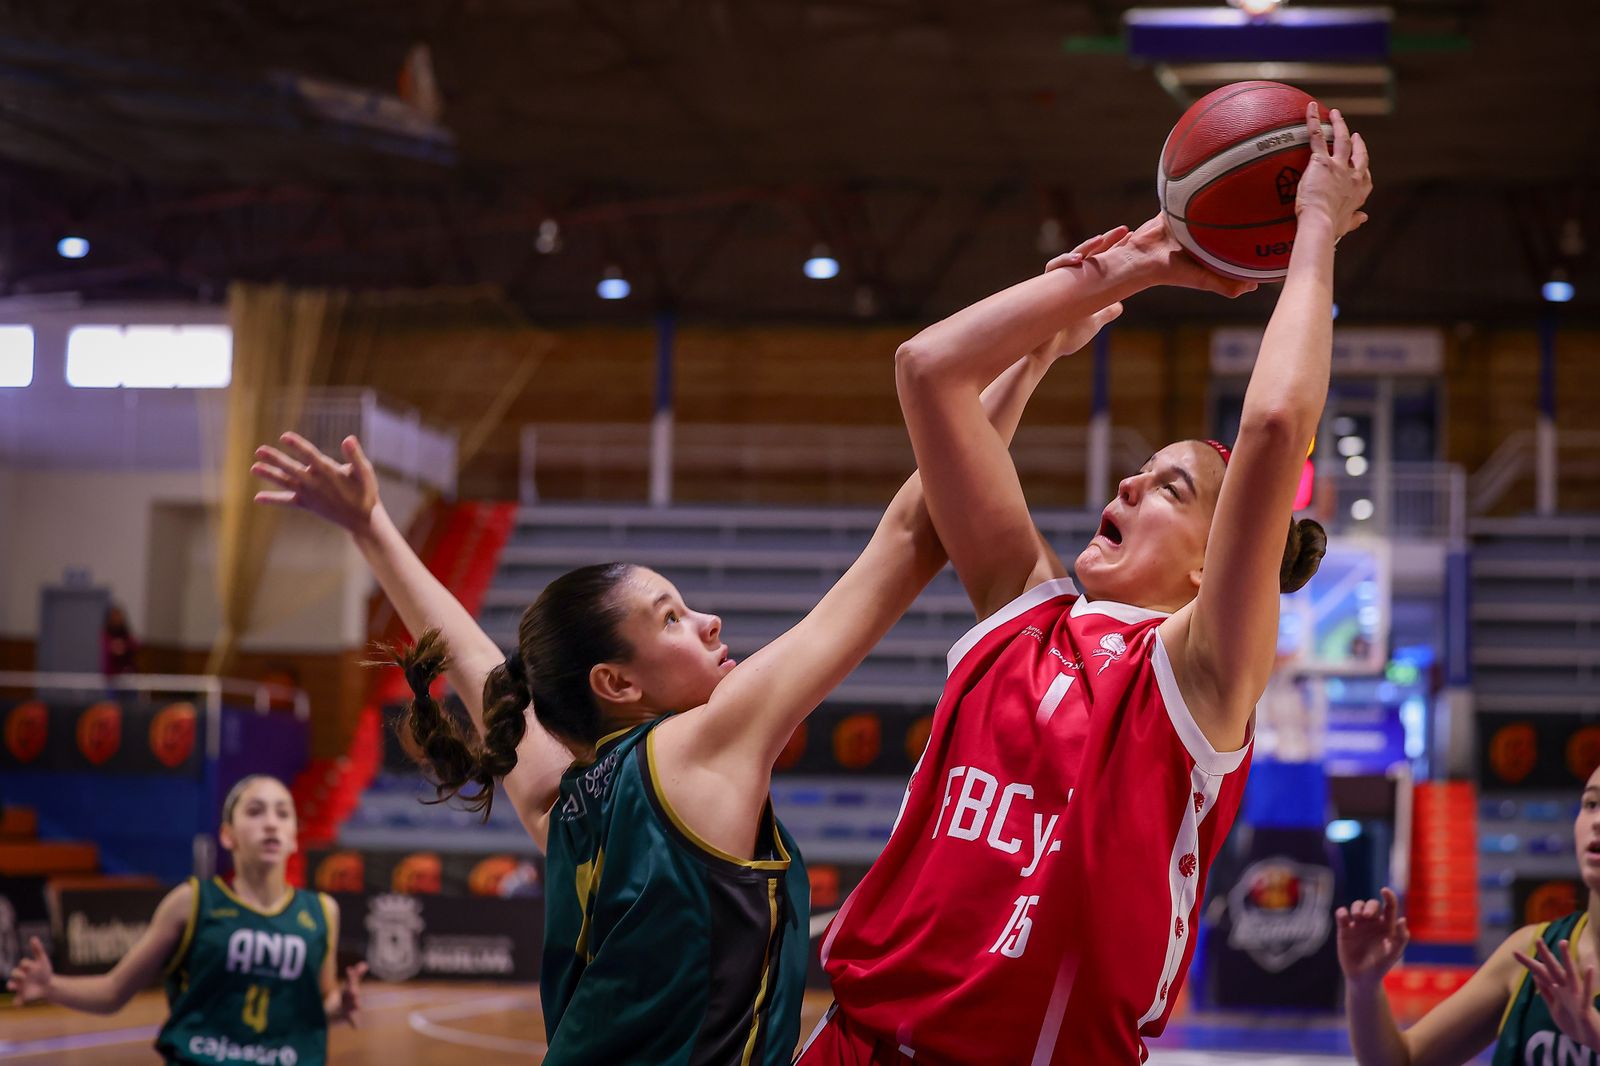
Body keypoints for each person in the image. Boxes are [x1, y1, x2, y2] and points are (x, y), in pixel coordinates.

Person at [245, 302, 1119, 1064]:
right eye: (670, 616)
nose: (708, 623)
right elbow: (912, 536)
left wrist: (372, 530)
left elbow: (477, 666)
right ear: (616, 682)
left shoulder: (564, 800)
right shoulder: (705, 744)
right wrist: (1034, 354)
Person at [803, 102, 1369, 1065]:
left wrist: (1315, 226)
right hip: (849, 1046)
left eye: (1168, 488)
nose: (1129, 484)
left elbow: (1274, 424)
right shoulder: (1021, 615)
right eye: (1139, 473)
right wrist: (1135, 265)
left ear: (1212, 558)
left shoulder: (1196, 678)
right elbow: (928, 368)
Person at [7, 775, 364, 1066]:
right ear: (227, 835)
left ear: (293, 837)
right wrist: (52, 986)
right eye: (255, 812)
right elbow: (115, 991)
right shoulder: (191, 903)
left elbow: (316, 1007)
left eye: (283, 813)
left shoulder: (321, 912)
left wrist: (341, 1005)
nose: (271, 822)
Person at [1341, 763, 1600, 1065]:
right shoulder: (1531, 953)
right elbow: (1403, 1061)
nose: (1597, 821)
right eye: (1592, 804)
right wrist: (1363, 986)